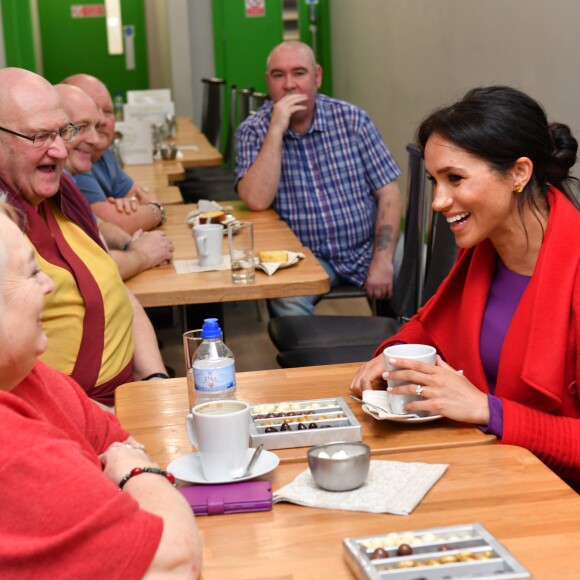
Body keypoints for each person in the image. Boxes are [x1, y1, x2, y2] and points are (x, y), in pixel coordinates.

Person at [351, 86, 580, 488]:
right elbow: (431, 323)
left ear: (519, 174)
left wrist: (488, 410)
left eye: (455, 178)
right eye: (434, 181)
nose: (438, 201)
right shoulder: (483, 250)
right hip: (488, 470)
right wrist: (392, 355)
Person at [0, 203, 202, 577]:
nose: (49, 284)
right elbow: (172, 562)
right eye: (31, 272)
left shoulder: (29, 376)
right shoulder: (15, 450)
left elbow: (113, 436)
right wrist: (137, 474)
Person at [0, 67, 169, 408]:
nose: (62, 150)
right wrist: (103, 419)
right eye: (40, 136)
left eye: (63, 132)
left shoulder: (64, 192)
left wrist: (155, 380)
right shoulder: (5, 227)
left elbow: (117, 292)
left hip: (131, 394)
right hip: (66, 418)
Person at [236, 40, 403, 317]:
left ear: (317, 77)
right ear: (268, 82)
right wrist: (276, 128)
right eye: (279, 75)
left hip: (366, 246)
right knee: (287, 307)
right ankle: (320, 360)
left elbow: (389, 193)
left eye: (299, 73)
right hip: (303, 258)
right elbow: (256, 199)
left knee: (422, 269)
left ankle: (408, 348)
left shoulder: (353, 120)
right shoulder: (252, 131)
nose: (289, 84)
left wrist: (383, 259)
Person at [54, 83, 174, 281]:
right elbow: (93, 269)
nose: (94, 139)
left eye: (107, 112)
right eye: (81, 127)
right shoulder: (52, 181)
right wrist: (142, 254)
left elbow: (98, 225)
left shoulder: (65, 179)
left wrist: (131, 244)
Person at [62, 73, 166, 234]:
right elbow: (116, 225)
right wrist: (156, 210)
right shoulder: (71, 162)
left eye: (108, 111)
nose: (101, 120)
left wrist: (131, 204)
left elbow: (139, 194)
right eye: (90, 112)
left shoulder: (102, 153)